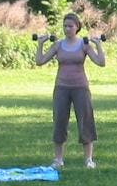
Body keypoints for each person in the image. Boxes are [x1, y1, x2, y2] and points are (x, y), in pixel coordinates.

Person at [34, 12, 106, 169]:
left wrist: (98, 45)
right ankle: (58, 160)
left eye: (70, 26)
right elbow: (40, 61)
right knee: (60, 121)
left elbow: (101, 62)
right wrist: (40, 44)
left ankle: (88, 159)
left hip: (81, 87)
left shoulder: (84, 44)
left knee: (85, 121)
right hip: (61, 87)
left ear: (77, 27)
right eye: (65, 26)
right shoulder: (58, 45)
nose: (67, 29)